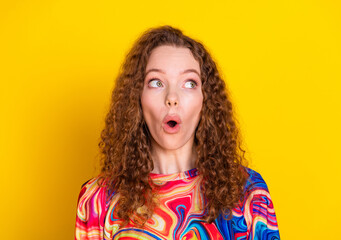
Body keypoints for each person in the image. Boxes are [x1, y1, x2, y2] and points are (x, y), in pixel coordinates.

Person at [74, 25, 280, 240]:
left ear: (205, 100)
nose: (172, 97)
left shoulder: (247, 191)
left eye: (189, 83)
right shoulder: (97, 199)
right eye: (156, 82)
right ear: (137, 98)